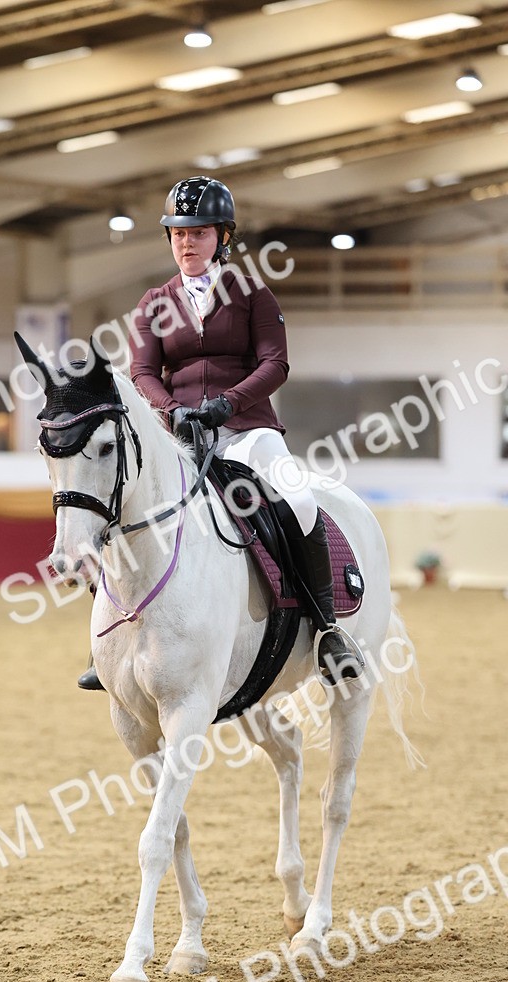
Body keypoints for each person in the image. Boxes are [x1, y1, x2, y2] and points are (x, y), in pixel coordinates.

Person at [78, 175, 360, 690]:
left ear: (222, 238)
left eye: (200, 233)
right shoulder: (153, 303)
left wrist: (226, 404)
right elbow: (142, 371)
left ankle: (327, 629)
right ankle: (109, 644)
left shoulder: (253, 294)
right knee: (116, 507)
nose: (188, 243)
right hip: (178, 437)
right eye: (180, 234)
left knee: (296, 499)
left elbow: (276, 364)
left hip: (249, 429)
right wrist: (170, 410)